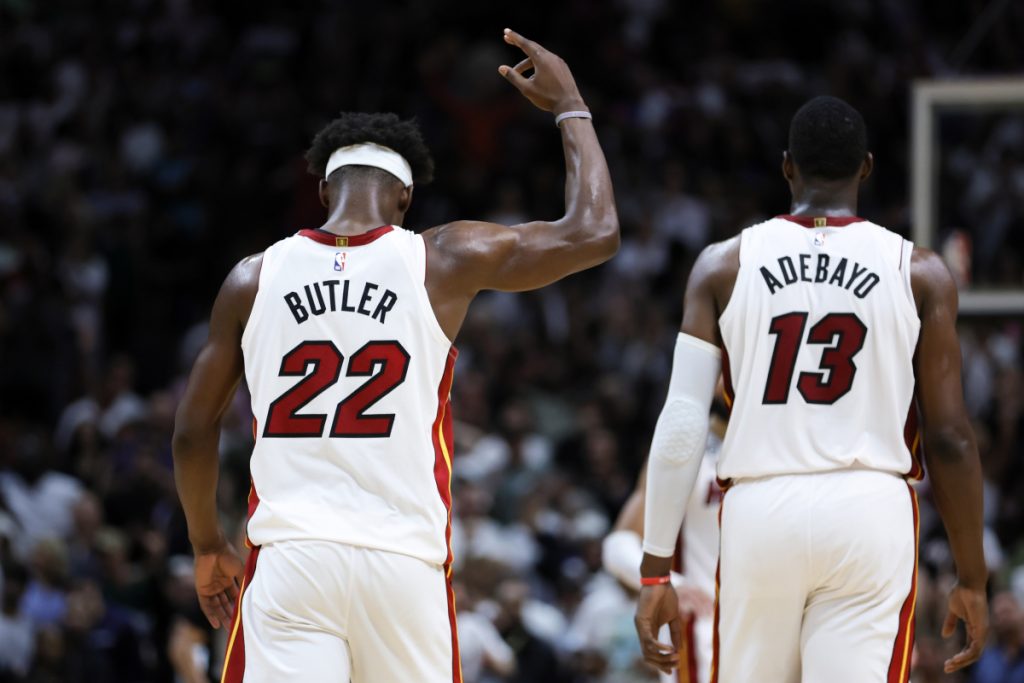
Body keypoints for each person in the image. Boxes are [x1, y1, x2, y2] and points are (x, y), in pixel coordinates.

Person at [171, 28, 618, 683]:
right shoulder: (441, 256)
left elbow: (190, 432)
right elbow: (595, 231)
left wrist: (207, 543)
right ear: (405, 198)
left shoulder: (252, 277)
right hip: (403, 560)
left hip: (295, 555)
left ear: (323, 192)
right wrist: (571, 104)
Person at [633, 96, 989, 683]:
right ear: (867, 168)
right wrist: (972, 578)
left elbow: (681, 422)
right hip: (868, 509)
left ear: (786, 167)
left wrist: (654, 572)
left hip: (759, 505)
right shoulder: (920, 271)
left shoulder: (722, 266)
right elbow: (950, 437)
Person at [604, 406, 725, 683]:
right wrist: (663, 580)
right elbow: (618, 545)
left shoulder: (784, 438)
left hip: (774, 627)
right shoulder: (686, 442)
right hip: (702, 635)